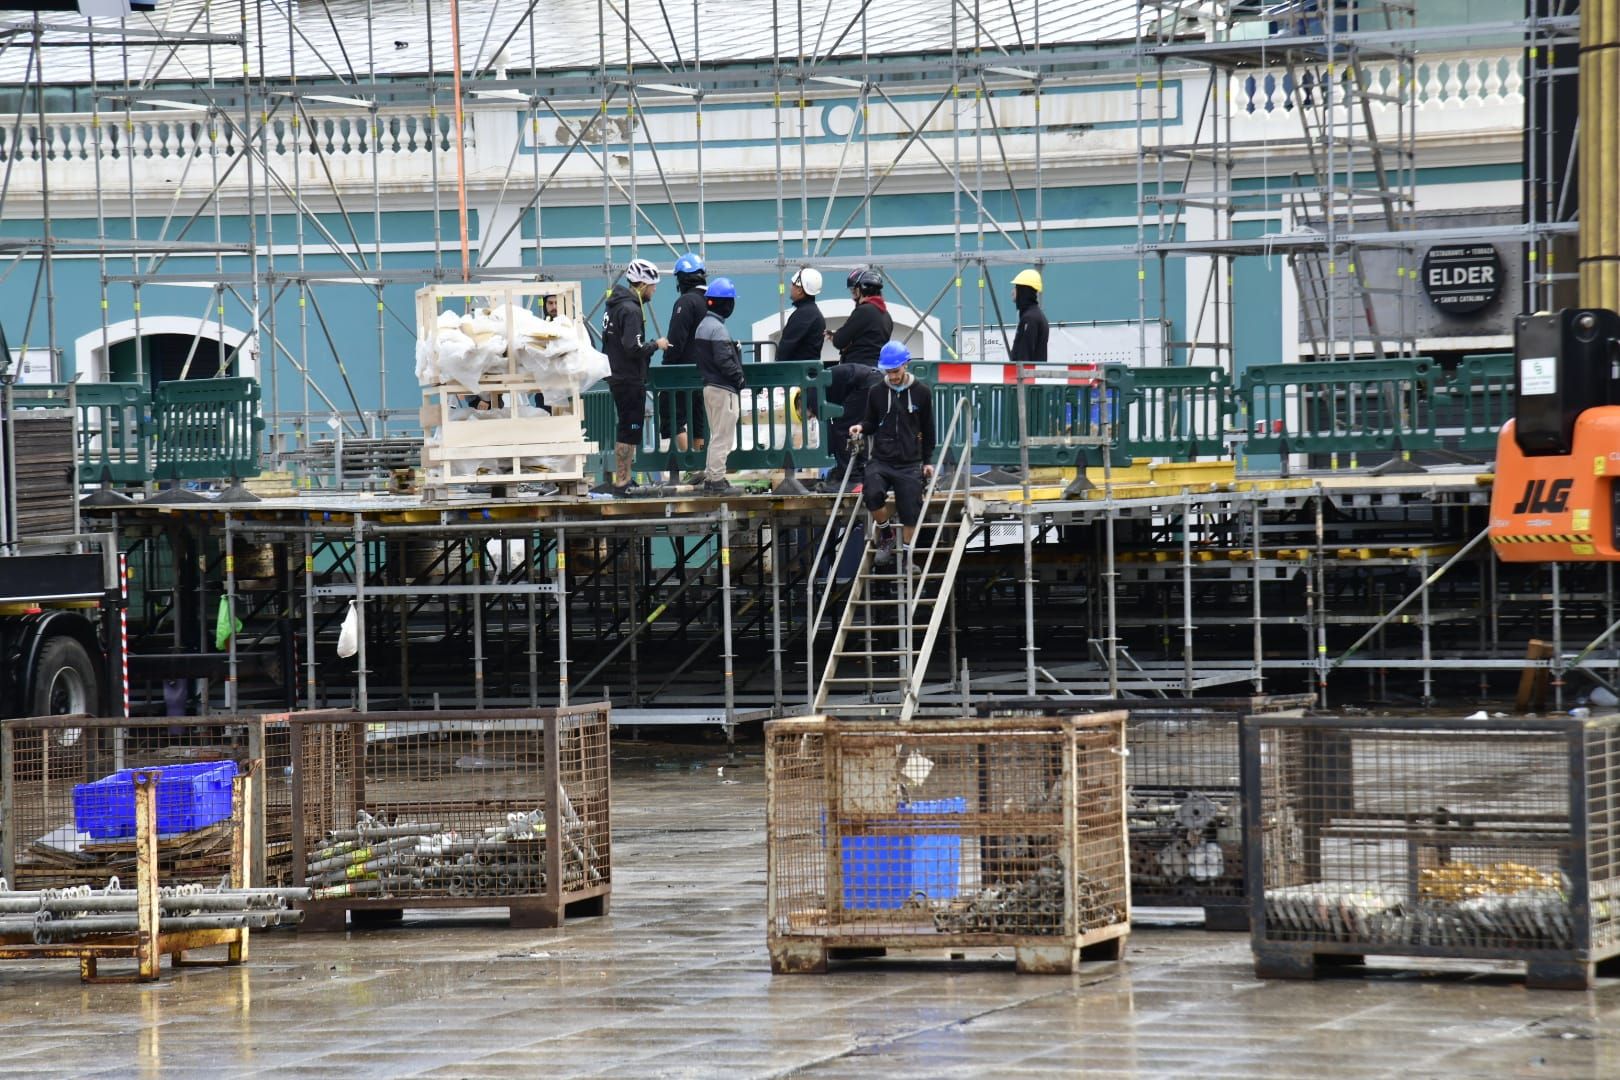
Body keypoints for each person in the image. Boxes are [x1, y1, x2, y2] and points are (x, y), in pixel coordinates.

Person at [848, 341, 935, 568]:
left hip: (909, 461)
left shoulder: (922, 393)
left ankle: (907, 556)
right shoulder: (876, 391)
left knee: (910, 510)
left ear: (906, 365)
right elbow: (871, 421)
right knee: (872, 492)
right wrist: (861, 427)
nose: (893, 376)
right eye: (889, 371)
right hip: (882, 458)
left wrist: (928, 461)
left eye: (896, 371)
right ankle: (886, 536)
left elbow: (928, 428)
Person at [600, 258, 669, 495]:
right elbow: (633, 347)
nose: (654, 290)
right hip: (628, 378)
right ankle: (623, 481)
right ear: (641, 285)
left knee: (627, 428)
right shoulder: (630, 310)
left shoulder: (614, 306)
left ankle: (624, 479)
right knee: (629, 428)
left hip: (617, 375)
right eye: (653, 285)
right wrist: (656, 345)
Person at [824, 267, 893, 488]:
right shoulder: (885, 315)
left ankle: (849, 475)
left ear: (861, 289)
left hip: (858, 375)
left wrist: (837, 337)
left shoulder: (864, 311)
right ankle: (859, 471)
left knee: (843, 425)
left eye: (854, 290)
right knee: (862, 426)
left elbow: (840, 340)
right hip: (876, 376)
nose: (853, 295)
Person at [691, 277, 746, 496]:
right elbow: (724, 360)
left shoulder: (703, 326)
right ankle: (716, 479)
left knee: (716, 434)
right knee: (723, 435)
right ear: (727, 303)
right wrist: (739, 378)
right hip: (724, 389)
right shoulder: (718, 329)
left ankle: (711, 474)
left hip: (709, 387)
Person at [661, 251, 708, 453]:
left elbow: (676, 340)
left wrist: (667, 366)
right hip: (706, 370)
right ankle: (700, 464)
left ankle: (690, 463)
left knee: (672, 415)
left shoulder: (686, 302)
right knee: (699, 419)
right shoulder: (710, 299)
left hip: (682, 371)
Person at [776, 267, 826, 362]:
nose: (790, 287)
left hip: (797, 373)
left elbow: (785, 349)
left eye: (793, 284)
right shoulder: (813, 313)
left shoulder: (803, 315)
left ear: (800, 290)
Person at [1010, 267, 1049, 364]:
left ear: (1024, 290)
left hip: (1026, 377)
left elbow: (1024, 355)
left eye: (1016, 287)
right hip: (1030, 376)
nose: (1012, 291)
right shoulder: (1034, 315)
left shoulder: (1030, 318)